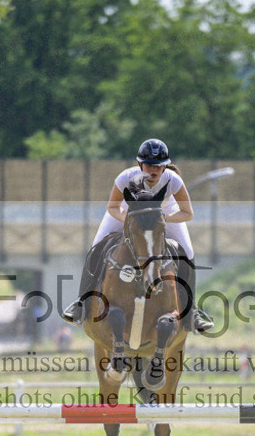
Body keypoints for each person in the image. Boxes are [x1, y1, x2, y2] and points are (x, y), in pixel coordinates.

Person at [60, 138, 214, 333]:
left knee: (188, 253)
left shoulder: (173, 180)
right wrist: (129, 221)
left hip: (165, 214)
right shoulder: (125, 178)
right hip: (126, 212)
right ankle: (81, 303)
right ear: (140, 164)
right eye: (149, 165)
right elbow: (113, 207)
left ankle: (192, 312)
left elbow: (187, 213)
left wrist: (163, 218)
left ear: (165, 166)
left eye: (158, 166)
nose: (153, 170)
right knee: (96, 247)